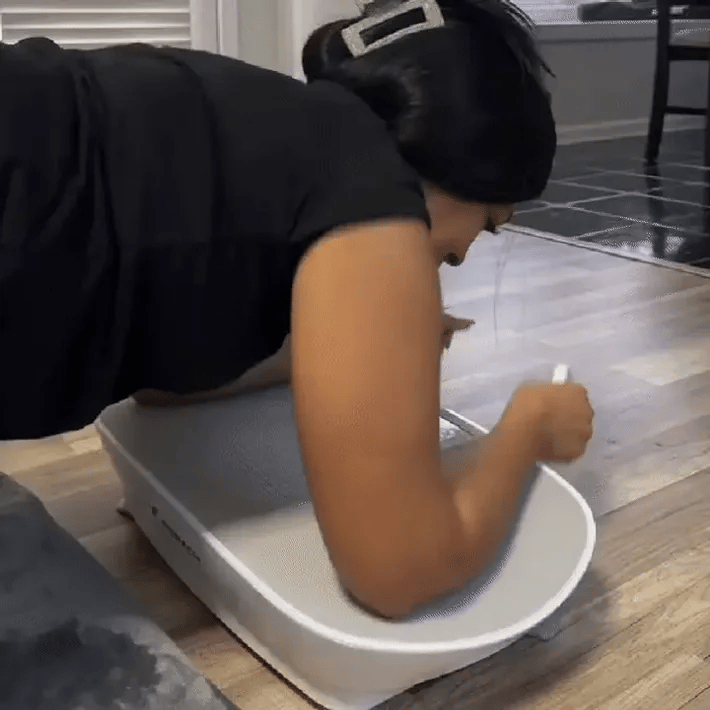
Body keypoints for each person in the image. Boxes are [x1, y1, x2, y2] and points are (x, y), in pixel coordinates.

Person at [0, 0, 594, 618]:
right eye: (489, 223)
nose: (464, 256)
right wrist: (526, 428)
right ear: (466, 161)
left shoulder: (265, 135)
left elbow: (161, 386)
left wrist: (350, 352)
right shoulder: (371, 188)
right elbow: (398, 570)